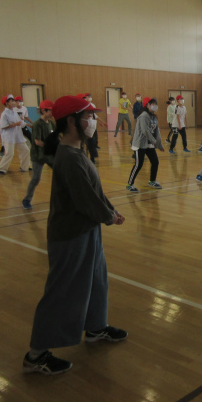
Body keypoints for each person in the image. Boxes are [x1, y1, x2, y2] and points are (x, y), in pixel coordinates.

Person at [23, 95, 127, 376]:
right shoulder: (68, 158)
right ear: (71, 122)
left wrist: (110, 210)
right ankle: (36, 355)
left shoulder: (77, 152)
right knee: (62, 292)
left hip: (87, 229)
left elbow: (94, 191)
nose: (94, 121)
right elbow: (84, 199)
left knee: (96, 281)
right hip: (70, 235)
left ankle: (95, 328)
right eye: (89, 116)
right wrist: (108, 216)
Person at [22, 100, 55, 210]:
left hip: (49, 155)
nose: (53, 113)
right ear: (43, 111)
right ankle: (27, 199)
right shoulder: (37, 124)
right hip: (38, 156)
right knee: (36, 178)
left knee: (61, 172)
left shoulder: (51, 123)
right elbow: (37, 142)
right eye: (50, 110)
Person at [126, 97, 164, 192]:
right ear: (147, 105)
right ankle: (130, 184)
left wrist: (159, 144)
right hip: (140, 143)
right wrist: (154, 141)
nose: (155, 106)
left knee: (155, 162)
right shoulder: (144, 115)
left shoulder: (154, 117)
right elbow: (145, 131)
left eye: (155, 104)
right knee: (138, 164)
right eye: (152, 104)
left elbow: (157, 131)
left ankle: (152, 181)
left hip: (149, 144)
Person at [0, 96, 30, 175]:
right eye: (11, 101)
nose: (14, 102)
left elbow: (20, 122)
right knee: (9, 153)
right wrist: (15, 124)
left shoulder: (14, 112)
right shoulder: (4, 114)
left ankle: (24, 167)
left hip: (18, 136)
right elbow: (4, 126)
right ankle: (0, 169)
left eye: (13, 100)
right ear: (7, 103)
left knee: (26, 151)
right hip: (9, 137)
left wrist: (29, 125)